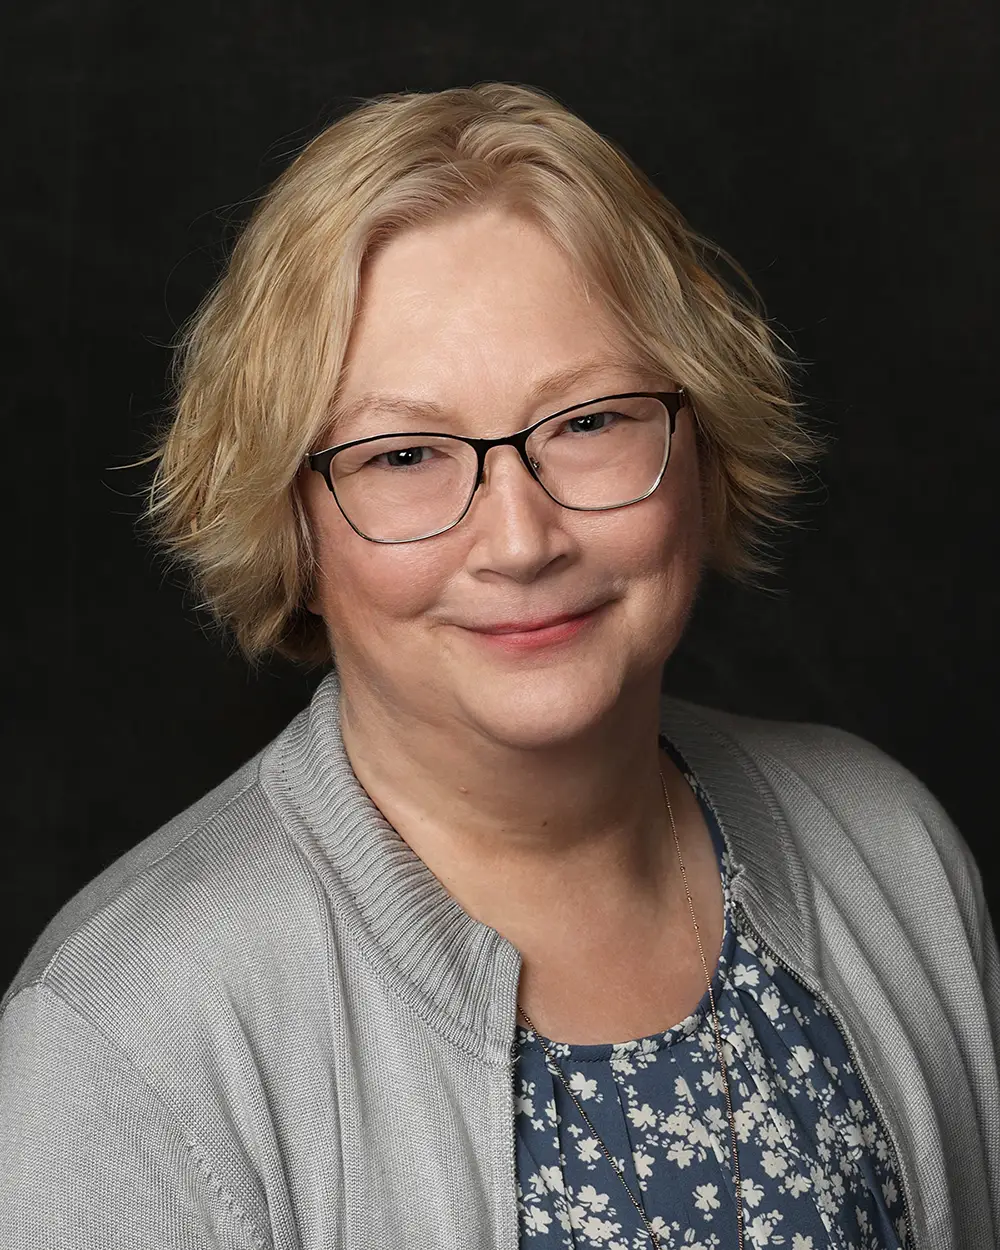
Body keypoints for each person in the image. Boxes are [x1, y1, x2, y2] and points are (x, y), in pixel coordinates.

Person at [0, 82, 996, 1250]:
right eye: (405, 453)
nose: (520, 540)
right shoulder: (121, 1041)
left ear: (701, 449)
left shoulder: (885, 843)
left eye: (587, 421)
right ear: (296, 528)